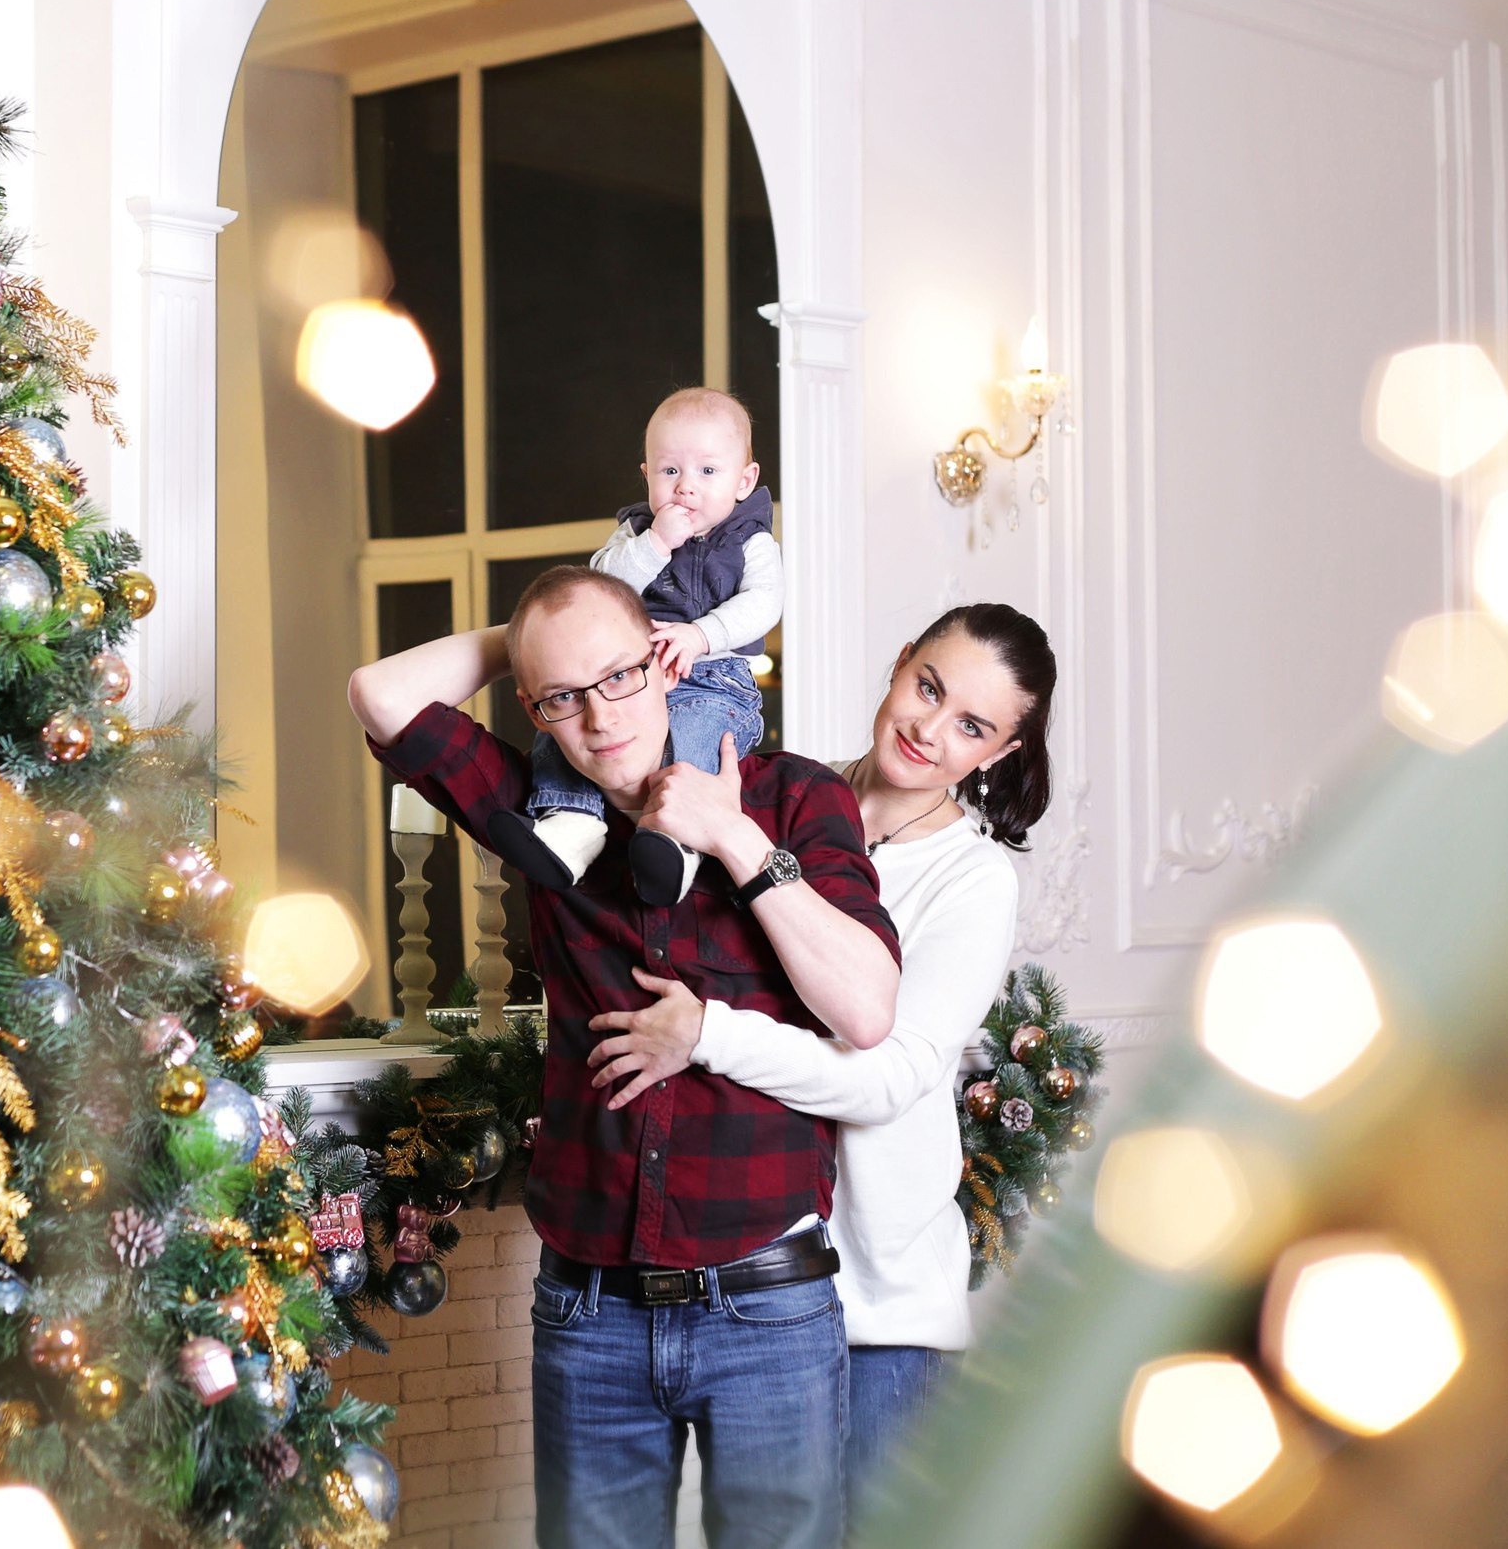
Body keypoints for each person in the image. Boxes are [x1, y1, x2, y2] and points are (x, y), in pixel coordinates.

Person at [346, 567, 901, 1549]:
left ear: (662, 658)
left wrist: (728, 835)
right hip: (589, 1309)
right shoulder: (541, 818)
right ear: (533, 707)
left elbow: (863, 1008)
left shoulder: (789, 794)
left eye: (617, 676)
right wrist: (530, 640)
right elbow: (381, 694)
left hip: (766, 1303)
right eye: (561, 697)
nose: (599, 719)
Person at [582, 602, 1056, 1512]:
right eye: (929, 686)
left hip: (881, 1311)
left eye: (972, 726)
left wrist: (707, 1032)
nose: (928, 727)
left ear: (995, 753)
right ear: (900, 658)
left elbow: (883, 1080)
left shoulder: (973, 878)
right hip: (750, 1282)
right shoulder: (777, 793)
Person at [484, 387, 782, 907]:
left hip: (713, 674)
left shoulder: (750, 541)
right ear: (647, 476)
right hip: (627, 673)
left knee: (698, 732)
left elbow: (764, 604)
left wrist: (701, 634)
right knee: (570, 720)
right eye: (670, 472)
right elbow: (602, 586)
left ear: (744, 480)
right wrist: (655, 545)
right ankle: (569, 827)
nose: (686, 488)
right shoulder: (636, 532)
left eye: (708, 472)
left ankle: (676, 842)